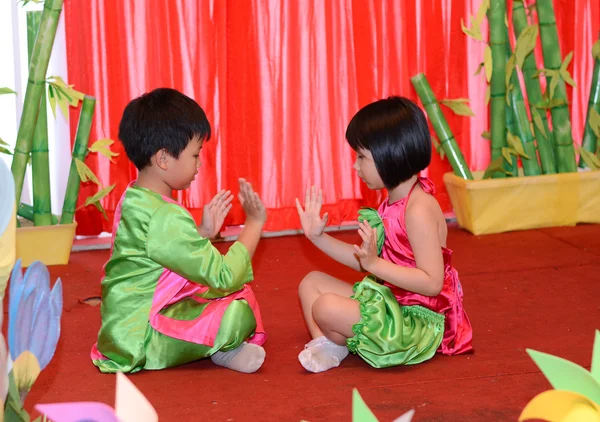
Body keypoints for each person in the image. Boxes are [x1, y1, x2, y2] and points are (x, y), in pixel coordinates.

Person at [91, 88, 267, 374]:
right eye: (195, 155)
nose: (199, 164)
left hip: (122, 327)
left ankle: (218, 346)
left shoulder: (135, 196)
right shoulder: (164, 214)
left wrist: (202, 232)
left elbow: (157, 254)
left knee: (222, 294)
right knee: (238, 308)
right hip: (141, 338)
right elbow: (224, 275)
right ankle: (222, 348)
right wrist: (254, 223)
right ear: (163, 159)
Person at [295, 96, 473, 373]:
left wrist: (375, 265)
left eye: (361, 157)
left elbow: (432, 283)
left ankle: (335, 341)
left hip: (415, 320)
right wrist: (318, 238)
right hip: (389, 300)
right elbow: (365, 261)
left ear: (392, 154)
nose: (355, 166)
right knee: (311, 283)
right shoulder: (392, 202)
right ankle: (330, 346)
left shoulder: (418, 209)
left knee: (325, 307)